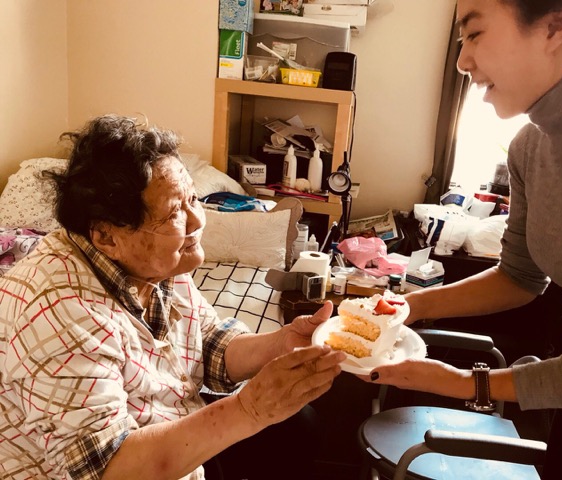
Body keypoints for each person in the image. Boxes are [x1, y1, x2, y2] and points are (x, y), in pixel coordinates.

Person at [365, 1, 562, 478]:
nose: (462, 61)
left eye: (474, 34)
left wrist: (463, 384)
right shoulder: (531, 148)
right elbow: (520, 276)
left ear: (554, 26)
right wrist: (415, 305)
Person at [0, 114, 346, 480]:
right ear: (106, 236)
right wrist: (250, 408)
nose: (197, 220)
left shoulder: (154, 262)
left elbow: (208, 343)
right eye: (173, 213)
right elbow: (109, 469)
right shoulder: (58, 313)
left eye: (193, 199)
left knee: (297, 429)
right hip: (107, 466)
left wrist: (280, 343)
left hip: (167, 417)